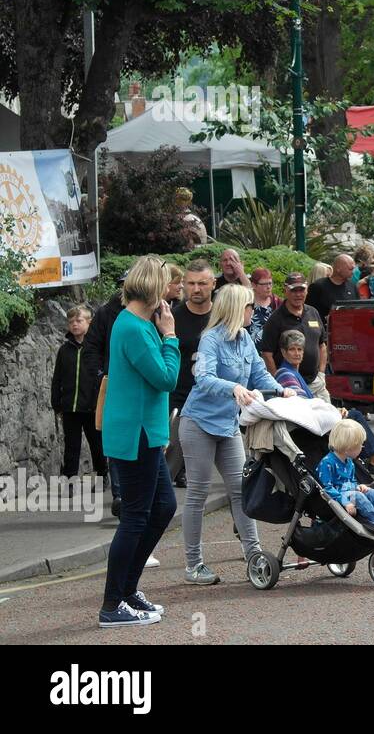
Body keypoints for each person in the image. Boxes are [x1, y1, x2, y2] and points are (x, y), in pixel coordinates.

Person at [180, 285, 294, 584]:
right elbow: (203, 379)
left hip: (228, 425)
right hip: (198, 424)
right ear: (235, 308)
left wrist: (281, 389)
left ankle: (254, 553)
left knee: (241, 490)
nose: (252, 312)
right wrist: (232, 387)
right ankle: (193, 565)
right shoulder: (210, 339)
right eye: (248, 307)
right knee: (198, 494)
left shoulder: (245, 339)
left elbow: (259, 373)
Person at [98, 258, 180, 628]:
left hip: (144, 433)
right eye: (165, 285)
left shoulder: (136, 323)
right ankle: (112, 604)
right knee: (135, 517)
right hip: (134, 435)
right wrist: (172, 337)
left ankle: (128, 591)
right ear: (153, 289)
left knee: (163, 507)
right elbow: (165, 378)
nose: (169, 292)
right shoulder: (132, 327)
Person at [274, 329, 374, 478]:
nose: (297, 353)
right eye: (292, 350)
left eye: (300, 349)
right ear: (283, 352)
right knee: (355, 416)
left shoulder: (294, 372)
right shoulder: (286, 374)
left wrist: (335, 410)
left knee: (351, 415)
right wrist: (333, 413)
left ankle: (369, 461)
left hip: (312, 423)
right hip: (309, 428)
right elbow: (302, 405)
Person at [165, 260, 216, 489]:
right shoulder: (172, 318)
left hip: (216, 403)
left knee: (234, 478)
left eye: (202, 283)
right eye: (191, 283)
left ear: (213, 284)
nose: (196, 289)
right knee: (167, 466)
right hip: (180, 401)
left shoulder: (221, 317)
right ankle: (148, 517)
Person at [84, 275, 127, 515]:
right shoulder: (105, 313)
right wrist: (102, 376)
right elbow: (91, 348)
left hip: (140, 390)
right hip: (112, 387)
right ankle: (120, 496)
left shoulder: (153, 311)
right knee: (116, 443)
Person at [52, 305, 103, 480]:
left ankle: (102, 476)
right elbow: (57, 377)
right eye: (71, 321)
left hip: (92, 407)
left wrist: (100, 402)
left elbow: (103, 378)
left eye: (79, 321)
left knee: (97, 446)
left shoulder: (97, 349)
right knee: (71, 446)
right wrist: (56, 403)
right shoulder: (64, 350)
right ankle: (69, 480)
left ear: (89, 322)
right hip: (70, 407)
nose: (74, 325)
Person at [259, 273, 327, 383]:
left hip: (316, 382)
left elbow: (322, 345)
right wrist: (278, 382)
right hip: (290, 385)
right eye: (294, 290)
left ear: (307, 290)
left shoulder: (313, 312)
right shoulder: (275, 319)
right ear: (285, 291)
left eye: (301, 290)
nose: (298, 294)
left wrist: (321, 373)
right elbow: (267, 354)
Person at [306, 254, 358, 331]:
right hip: (325, 331)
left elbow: (357, 309)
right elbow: (308, 312)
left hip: (348, 330)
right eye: (350, 269)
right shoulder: (318, 286)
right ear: (338, 269)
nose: (353, 272)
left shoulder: (352, 286)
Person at [247, 268, 281, 351]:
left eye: (270, 283)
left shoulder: (278, 303)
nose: (269, 287)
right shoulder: (246, 303)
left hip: (273, 354)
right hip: (249, 353)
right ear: (254, 285)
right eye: (264, 284)